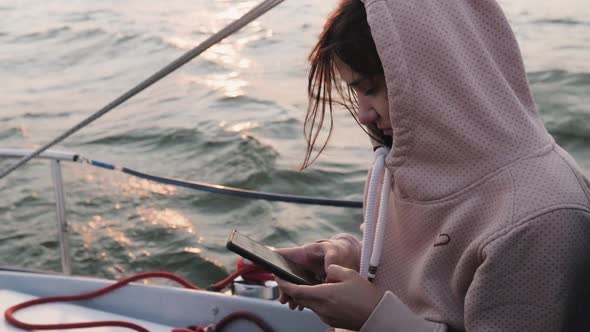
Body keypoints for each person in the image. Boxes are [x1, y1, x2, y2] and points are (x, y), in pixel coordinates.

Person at [275, 0, 590, 331]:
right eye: (357, 92)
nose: (364, 113)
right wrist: (348, 258)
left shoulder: (539, 217)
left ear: (438, 74)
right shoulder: (401, 164)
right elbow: (417, 280)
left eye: (372, 89)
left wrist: (375, 318)